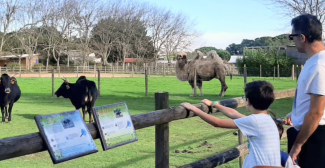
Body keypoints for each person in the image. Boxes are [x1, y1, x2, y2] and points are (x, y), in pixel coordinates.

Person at [181, 81, 281, 168]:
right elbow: (234, 114)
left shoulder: (254, 121)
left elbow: (217, 122)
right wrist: (214, 104)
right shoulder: (266, 120)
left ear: (248, 101)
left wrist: (194, 109)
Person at [285, 13, 325, 168]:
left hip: (314, 137)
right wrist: (296, 114)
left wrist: (297, 146)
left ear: (302, 37)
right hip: (312, 133)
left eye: (292, 37)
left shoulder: (319, 66)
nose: (293, 41)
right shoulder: (314, 61)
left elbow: (316, 113)